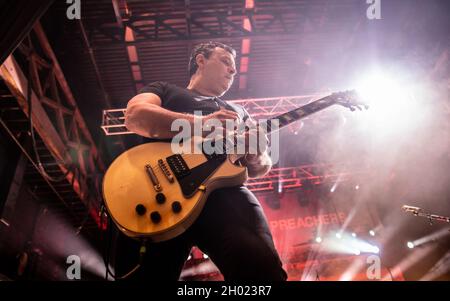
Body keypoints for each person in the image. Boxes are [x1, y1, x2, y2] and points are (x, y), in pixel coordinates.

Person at [113, 41, 287, 281]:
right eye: (226, 61)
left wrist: (256, 153)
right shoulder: (164, 90)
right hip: (156, 193)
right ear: (200, 60)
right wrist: (204, 123)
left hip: (222, 196)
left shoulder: (238, 112)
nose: (233, 71)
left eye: (234, 66)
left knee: (262, 271)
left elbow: (261, 166)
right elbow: (134, 116)